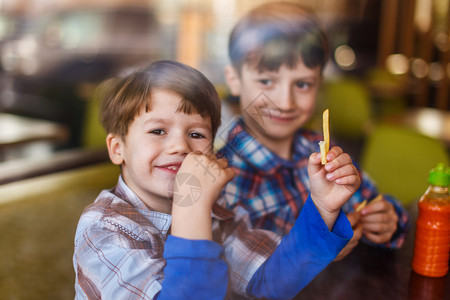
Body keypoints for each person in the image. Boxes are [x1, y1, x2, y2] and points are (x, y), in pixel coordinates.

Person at [73, 60, 359, 299]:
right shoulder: (102, 228)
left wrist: (322, 208)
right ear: (117, 148)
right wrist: (191, 206)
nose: (180, 146)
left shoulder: (215, 212)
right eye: (158, 131)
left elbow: (270, 280)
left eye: (196, 134)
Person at [219, 1, 409, 260]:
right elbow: (230, 270)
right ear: (234, 80)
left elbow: (372, 202)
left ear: (319, 83)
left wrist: (386, 219)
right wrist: (316, 249)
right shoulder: (218, 178)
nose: (285, 102)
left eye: (303, 84)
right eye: (266, 81)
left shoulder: (324, 150)